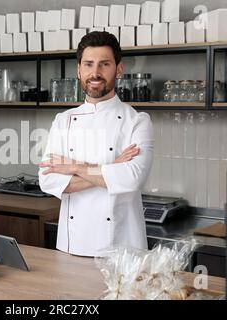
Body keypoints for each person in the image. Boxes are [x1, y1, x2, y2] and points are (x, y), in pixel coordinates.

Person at [38, 31, 154, 257]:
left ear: (119, 69)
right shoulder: (63, 120)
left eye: (104, 64)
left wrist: (74, 167)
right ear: (79, 70)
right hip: (71, 247)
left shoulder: (138, 121)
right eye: (89, 64)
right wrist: (112, 168)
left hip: (122, 250)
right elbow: (48, 180)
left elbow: (132, 178)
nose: (95, 72)